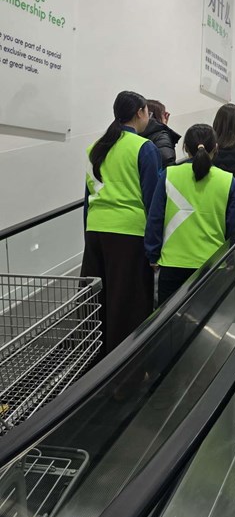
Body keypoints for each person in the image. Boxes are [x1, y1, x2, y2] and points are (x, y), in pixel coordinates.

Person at [81, 91, 161, 352]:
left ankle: (95, 359)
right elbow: (152, 200)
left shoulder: (95, 148)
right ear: (140, 112)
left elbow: (88, 198)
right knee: (127, 303)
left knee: (97, 300)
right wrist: (155, 247)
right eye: (148, 112)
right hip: (128, 234)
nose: (148, 117)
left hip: (96, 230)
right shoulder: (143, 147)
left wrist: (88, 235)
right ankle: (123, 365)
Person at [145, 124, 235, 304]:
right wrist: (232, 259)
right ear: (216, 148)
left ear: (184, 148)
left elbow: (155, 217)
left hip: (172, 264)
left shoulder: (169, 175)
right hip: (213, 264)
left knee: (169, 319)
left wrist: (153, 254)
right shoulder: (227, 180)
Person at [143, 99, 181, 167]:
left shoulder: (138, 133)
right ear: (157, 116)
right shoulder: (162, 136)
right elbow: (168, 163)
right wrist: (164, 128)